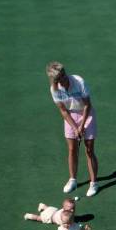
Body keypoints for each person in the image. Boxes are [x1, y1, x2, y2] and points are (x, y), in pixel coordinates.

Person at [46, 62, 99, 197]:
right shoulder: (54, 89)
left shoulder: (78, 81)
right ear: (54, 80)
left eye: (63, 75)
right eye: (59, 78)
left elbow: (87, 105)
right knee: (72, 149)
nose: (63, 79)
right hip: (70, 116)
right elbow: (63, 111)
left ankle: (93, 183)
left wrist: (81, 127)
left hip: (86, 114)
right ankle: (73, 180)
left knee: (89, 149)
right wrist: (75, 128)